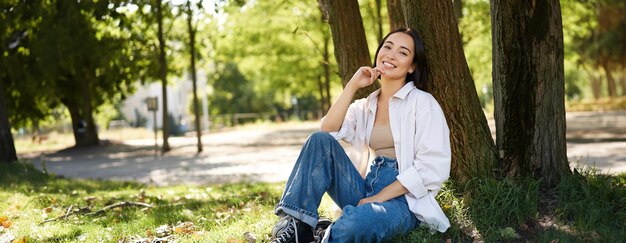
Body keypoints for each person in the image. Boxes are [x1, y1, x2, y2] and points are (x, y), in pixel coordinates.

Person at [270, 28, 451, 243]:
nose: (391, 55)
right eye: (387, 47)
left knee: (355, 224)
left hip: (403, 202)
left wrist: (377, 199)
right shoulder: (365, 106)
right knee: (318, 141)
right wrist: (353, 85)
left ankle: (324, 235)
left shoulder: (422, 103)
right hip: (365, 188)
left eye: (403, 52)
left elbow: (431, 169)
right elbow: (327, 130)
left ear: (412, 66)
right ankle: (297, 227)